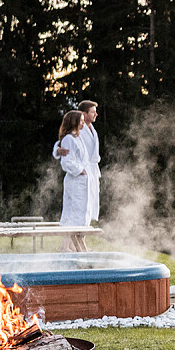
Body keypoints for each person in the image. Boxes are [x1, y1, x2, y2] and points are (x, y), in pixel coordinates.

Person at [53, 110, 91, 252]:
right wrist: (81, 170)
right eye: (81, 120)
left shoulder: (77, 137)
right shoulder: (69, 138)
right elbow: (67, 162)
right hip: (75, 181)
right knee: (73, 212)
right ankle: (65, 247)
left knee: (78, 212)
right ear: (74, 121)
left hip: (81, 181)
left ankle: (72, 246)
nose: (83, 122)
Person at [78, 100, 100, 225]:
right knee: (81, 206)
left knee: (90, 206)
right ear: (84, 114)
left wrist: (96, 176)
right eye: (93, 112)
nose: (96, 115)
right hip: (82, 171)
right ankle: (72, 243)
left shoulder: (93, 130)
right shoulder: (78, 131)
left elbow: (94, 156)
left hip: (92, 170)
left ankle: (81, 243)